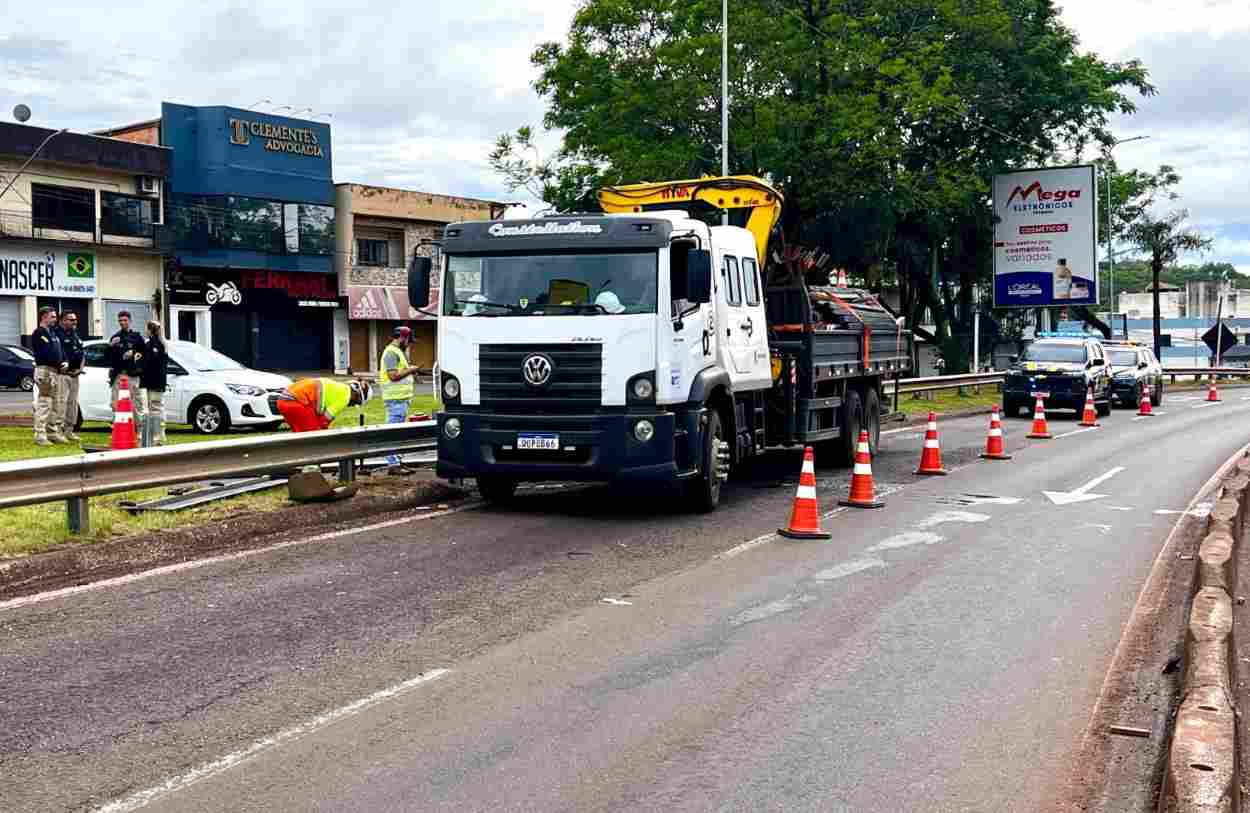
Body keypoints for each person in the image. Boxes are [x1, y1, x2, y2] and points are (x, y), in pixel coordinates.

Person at [377, 326, 419, 473]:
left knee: (397, 433)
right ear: (403, 338)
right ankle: (393, 465)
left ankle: (397, 462)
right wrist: (411, 370)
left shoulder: (397, 352)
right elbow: (393, 376)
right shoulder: (391, 353)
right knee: (393, 433)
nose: (409, 344)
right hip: (395, 400)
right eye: (408, 341)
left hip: (400, 399)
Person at [274, 377, 369, 433]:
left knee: (300, 436)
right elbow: (324, 421)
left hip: (283, 401)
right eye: (356, 403)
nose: (352, 405)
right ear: (358, 396)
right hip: (296, 402)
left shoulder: (340, 387)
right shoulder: (345, 397)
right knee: (313, 436)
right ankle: (311, 466)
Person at [31, 306, 67, 446]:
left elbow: (60, 351)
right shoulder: (38, 333)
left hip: (55, 371)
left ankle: (52, 433)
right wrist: (58, 362)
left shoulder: (53, 333)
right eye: (52, 316)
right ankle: (40, 435)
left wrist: (64, 361)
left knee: (55, 404)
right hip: (45, 370)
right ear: (44, 317)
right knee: (45, 403)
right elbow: (45, 353)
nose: (55, 319)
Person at [109, 310, 146, 427]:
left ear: (130, 321)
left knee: (135, 403)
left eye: (125, 320)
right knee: (116, 403)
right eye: (120, 320)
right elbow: (107, 357)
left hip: (132, 375)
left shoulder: (136, 337)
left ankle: (139, 429)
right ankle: (119, 428)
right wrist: (111, 346)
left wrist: (133, 352)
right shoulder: (115, 337)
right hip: (118, 375)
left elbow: (145, 352)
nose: (122, 323)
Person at [52, 311, 84, 443]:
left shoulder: (75, 335)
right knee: (61, 403)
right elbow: (55, 354)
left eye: (75, 320)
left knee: (72, 403)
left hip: (75, 375)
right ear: (62, 321)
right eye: (71, 320)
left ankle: (69, 430)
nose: (74, 322)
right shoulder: (56, 334)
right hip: (63, 375)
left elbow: (82, 353)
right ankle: (58, 431)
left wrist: (80, 369)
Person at [140, 320, 168, 446]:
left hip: (153, 383)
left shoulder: (152, 345)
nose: (145, 331)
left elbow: (148, 364)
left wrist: (139, 363)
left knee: (155, 409)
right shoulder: (162, 344)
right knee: (157, 408)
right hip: (159, 382)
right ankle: (158, 435)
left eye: (146, 328)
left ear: (150, 330)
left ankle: (157, 438)